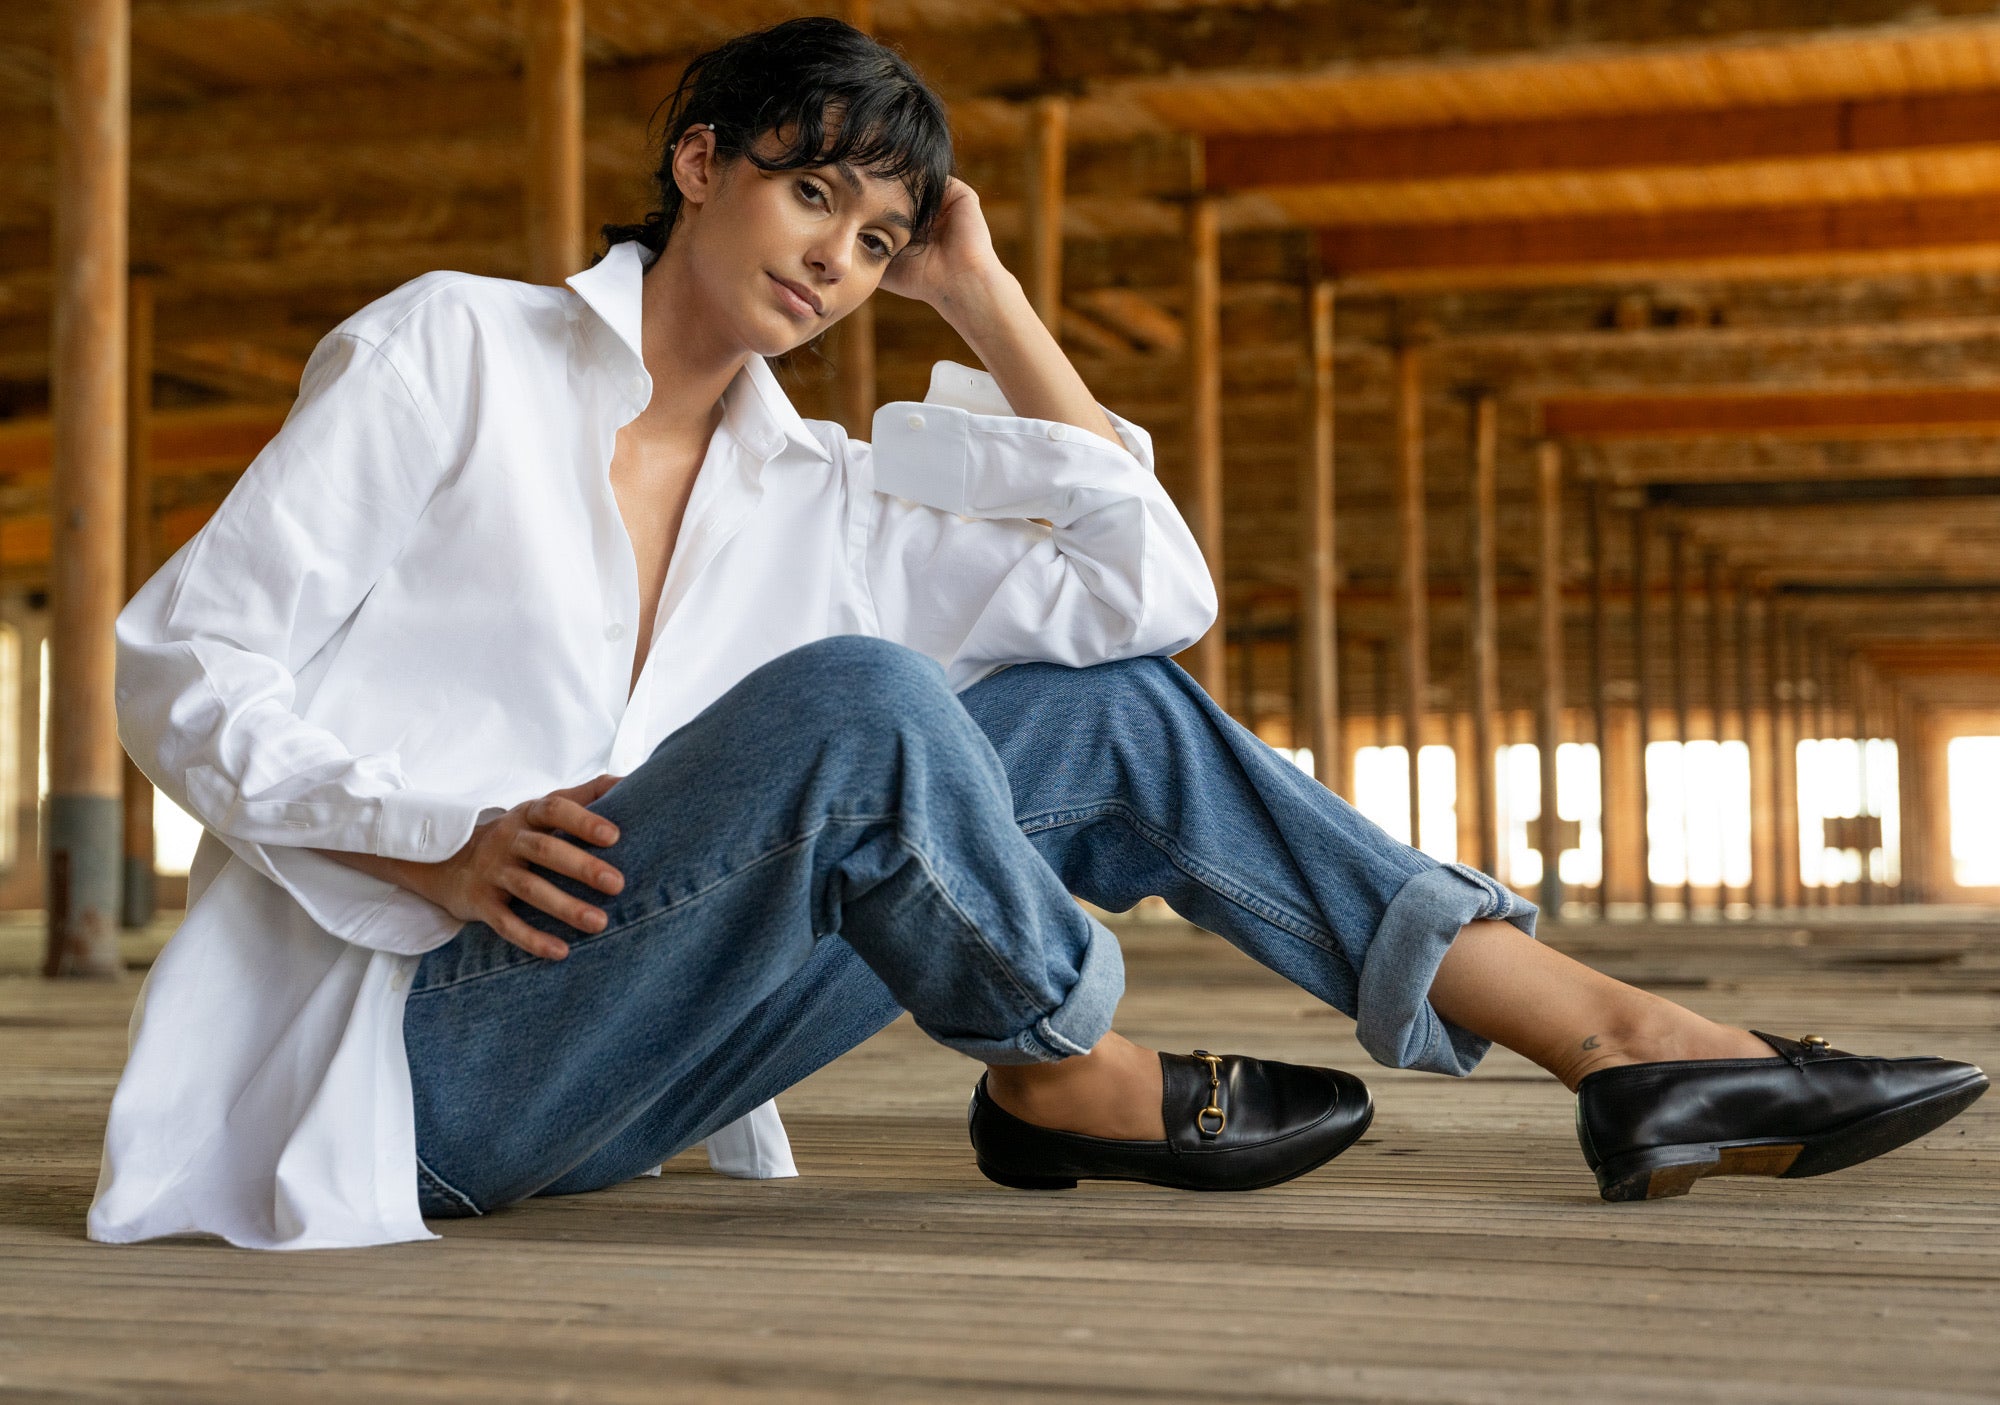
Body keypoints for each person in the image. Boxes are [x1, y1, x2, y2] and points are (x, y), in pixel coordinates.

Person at [91, 17, 1985, 1251]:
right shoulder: (452, 351)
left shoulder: (817, 492)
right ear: (700, 162)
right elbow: (175, 663)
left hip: (651, 1064)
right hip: (423, 1060)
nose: (834, 254)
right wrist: (438, 826)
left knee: (1094, 713)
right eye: (807, 188)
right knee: (860, 699)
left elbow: (1146, 600)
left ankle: (1622, 1040)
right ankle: (1065, 1063)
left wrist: (990, 306)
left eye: (876, 232)